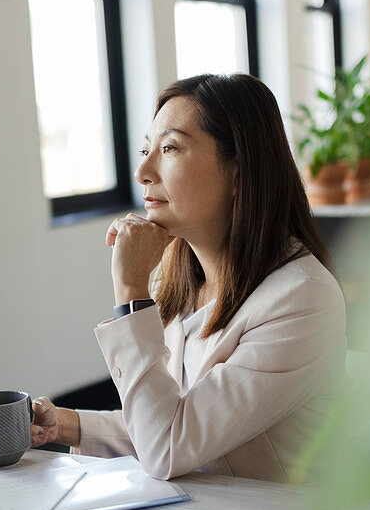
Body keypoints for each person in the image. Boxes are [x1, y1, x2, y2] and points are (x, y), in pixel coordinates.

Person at [29, 73, 347, 482]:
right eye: (146, 149)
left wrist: (130, 293)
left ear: (238, 171)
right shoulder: (177, 280)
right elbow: (168, 420)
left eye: (170, 148)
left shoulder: (301, 299)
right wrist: (66, 424)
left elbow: (169, 447)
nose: (143, 170)